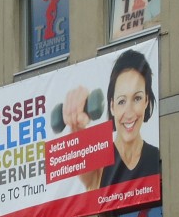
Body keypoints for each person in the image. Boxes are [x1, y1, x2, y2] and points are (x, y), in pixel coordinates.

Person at [62, 48, 160, 189]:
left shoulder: (156, 158)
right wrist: (76, 126)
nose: (129, 112)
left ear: (146, 101)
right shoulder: (99, 169)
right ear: (112, 106)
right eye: (121, 101)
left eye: (137, 98)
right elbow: (82, 163)